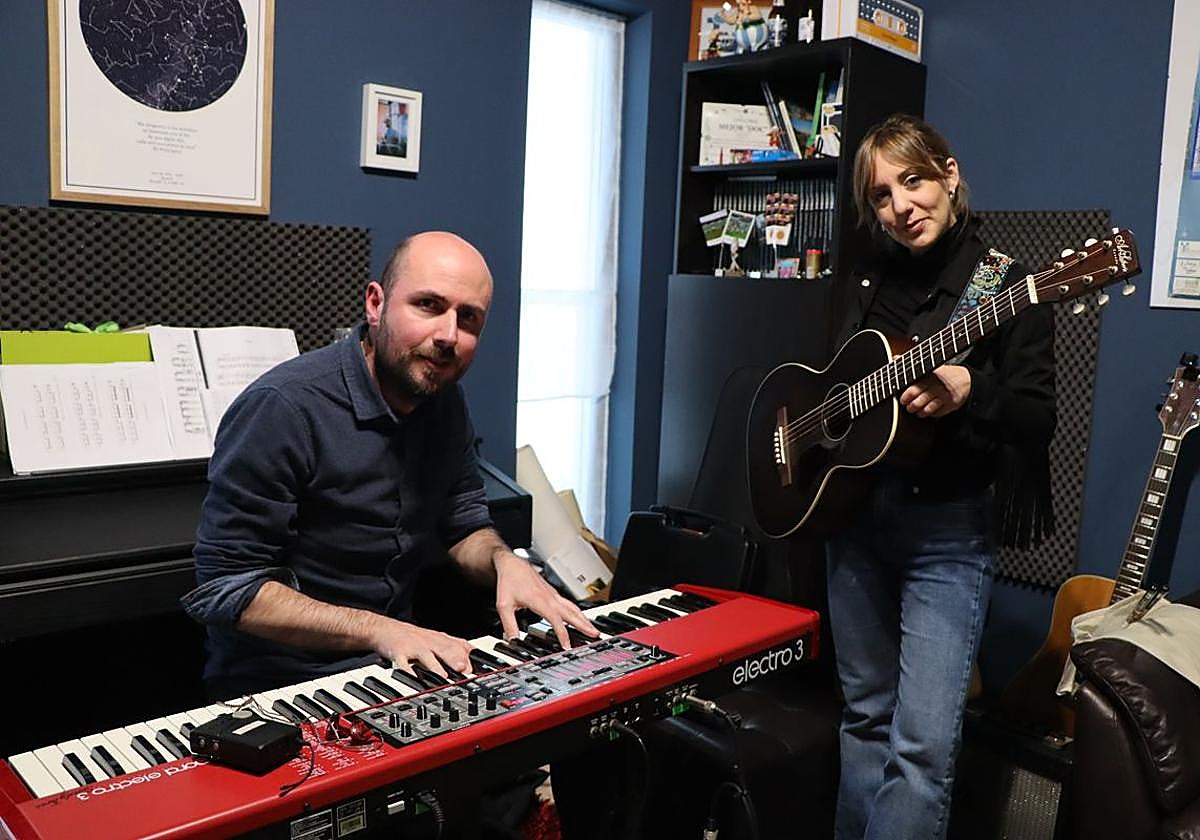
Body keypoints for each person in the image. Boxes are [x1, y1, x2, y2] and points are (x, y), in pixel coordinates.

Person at [182, 231, 597, 700]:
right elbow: (228, 588)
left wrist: (504, 562)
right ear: (375, 304)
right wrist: (381, 629)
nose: (448, 335)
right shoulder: (283, 407)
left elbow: (463, 524)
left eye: (468, 318)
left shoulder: (444, 400)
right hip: (280, 685)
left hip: (390, 667)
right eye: (428, 305)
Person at [825, 114, 1056, 840]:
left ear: (949, 176)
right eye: (882, 195)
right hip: (854, 519)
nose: (901, 206)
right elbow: (838, 386)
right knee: (865, 716)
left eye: (914, 181)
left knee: (922, 747)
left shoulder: (1007, 283)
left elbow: (1037, 415)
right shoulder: (867, 278)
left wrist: (971, 388)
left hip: (946, 534)